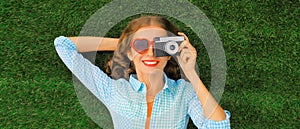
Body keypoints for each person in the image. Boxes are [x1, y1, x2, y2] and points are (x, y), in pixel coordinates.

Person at [54, 16, 230, 129]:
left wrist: (190, 72)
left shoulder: (185, 92)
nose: (150, 53)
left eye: (159, 46)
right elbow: (64, 46)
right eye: (141, 45)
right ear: (129, 52)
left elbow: (219, 127)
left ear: (170, 54)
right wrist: (123, 44)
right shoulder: (113, 90)